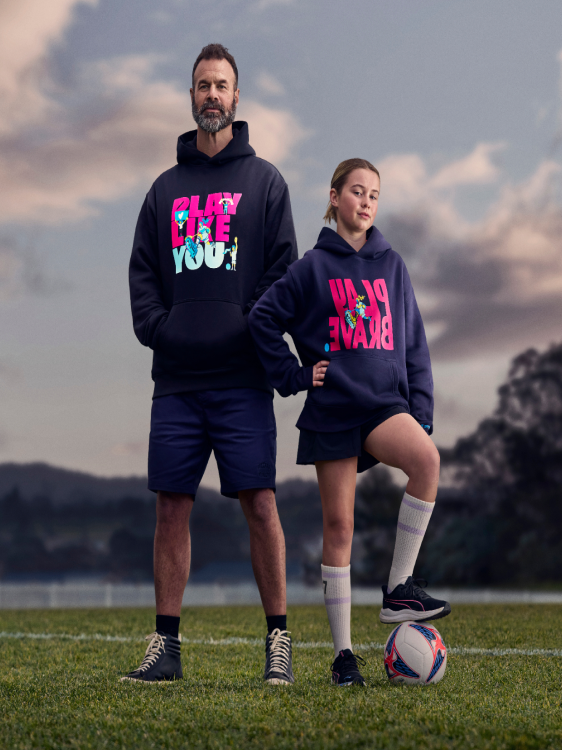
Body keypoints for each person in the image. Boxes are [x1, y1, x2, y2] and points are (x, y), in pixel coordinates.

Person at [125, 43, 298, 685]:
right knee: (172, 507)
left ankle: (277, 642)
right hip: (177, 382)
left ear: (236, 96)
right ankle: (165, 648)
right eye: (202, 85)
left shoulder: (266, 183)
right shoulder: (162, 191)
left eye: (221, 85)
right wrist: (163, 330)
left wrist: (248, 328)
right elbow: (143, 275)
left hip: (243, 380)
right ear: (190, 94)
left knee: (259, 502)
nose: (211, 95)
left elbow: (284, 274)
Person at [248, 158, 448, 687]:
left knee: (426, 461)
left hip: (384, 405)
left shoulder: (392, 264)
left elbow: (414, 344)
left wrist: (419, 410)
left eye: (375, 195)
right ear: (334, 198)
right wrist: (293, 375)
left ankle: (399, 586)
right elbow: (262, 319)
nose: (366, 202)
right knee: (340, 529)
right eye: (356, 192)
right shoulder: (311, 267)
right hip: (334, 407)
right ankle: (343, 657)